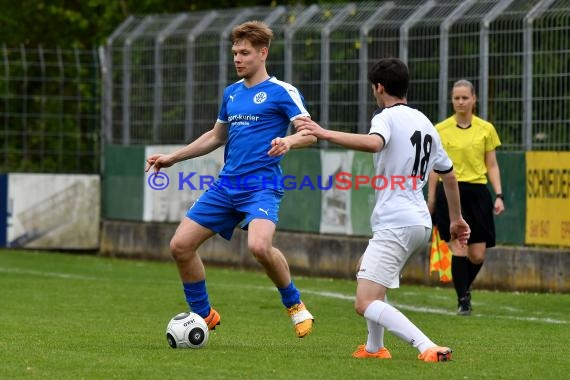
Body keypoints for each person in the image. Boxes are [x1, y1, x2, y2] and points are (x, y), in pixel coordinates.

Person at [144, 21, 316, 338]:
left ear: (263, 53)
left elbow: (310, 133)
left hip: (261, 187)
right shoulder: (232, 94)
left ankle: (295, 306)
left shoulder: (282, 92)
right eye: (235, 52)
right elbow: (215, 137)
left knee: (259, 247)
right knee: (180, 246)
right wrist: (172, 157)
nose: (238, 58)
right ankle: (204, 314)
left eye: (245, 53)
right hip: (226, 186)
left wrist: (289, 141)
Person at [296, 58, 470, 362]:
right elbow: (450, 175)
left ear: (378, 88)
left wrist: (324, 133)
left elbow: (375, 144)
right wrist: (455, 220)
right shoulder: (426, 123)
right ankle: (375, 349)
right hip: (419, 223)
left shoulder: (385, 117)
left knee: (364, 302)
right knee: (368, 270)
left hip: (397, 222)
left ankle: (427, 346)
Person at [427, 79, 505, 316]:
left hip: (478, 192)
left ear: (474, 99)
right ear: (451, 99)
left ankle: (464, 288)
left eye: (464, 97)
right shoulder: (440, 129)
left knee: (477, 253)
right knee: (459, 248)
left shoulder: (486, 129)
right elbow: (434, 167)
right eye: (456, 98)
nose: (460, 102)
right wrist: (431, 199)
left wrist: (499, 194)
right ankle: (463, 300)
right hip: (450, 193)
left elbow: (491, 165)